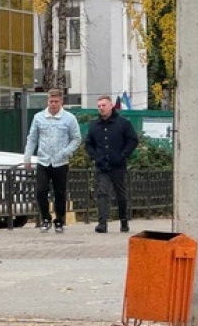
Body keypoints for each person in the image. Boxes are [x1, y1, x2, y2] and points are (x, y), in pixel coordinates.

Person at [24, 89, 82, 233]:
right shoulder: (39, 117)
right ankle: (45, 218)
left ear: (61, 102)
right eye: (51, 101)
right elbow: (32, 138)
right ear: (47, 101)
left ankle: (59, 220)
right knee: (40, 190)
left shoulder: (69, 118)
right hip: (43, 160)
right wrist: (27, 157)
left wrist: (66, 152)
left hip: (60, 162)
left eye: (56, 102)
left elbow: (76, 138)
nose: (53, 104)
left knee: (60, 193)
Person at [85, 95, 139, 233]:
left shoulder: (122, 123)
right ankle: (102, 222)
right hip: (102, 165)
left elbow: (133, 140)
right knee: (102, 192)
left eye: (103, 105)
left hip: (118, 164)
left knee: (120, 193)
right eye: (99, 106)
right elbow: (89, 144)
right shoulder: (94, 125)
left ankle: (124, 220)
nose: (101, 108)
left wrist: (123, 155)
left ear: (110, 106)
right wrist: (96, 157)